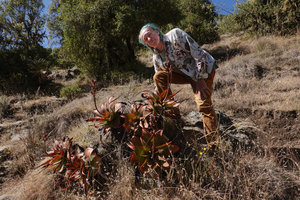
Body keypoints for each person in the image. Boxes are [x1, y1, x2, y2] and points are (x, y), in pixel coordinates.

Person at [138, 23, 219, 145]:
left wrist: (200, 78)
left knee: (203, 104)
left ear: (156, 31)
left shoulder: (175, 35)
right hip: (186, 75)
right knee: (158, 76)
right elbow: (158, 84)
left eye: (149, 34)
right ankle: (175, 117)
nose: (149, 39)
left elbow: (199, 54)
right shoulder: (156, 58)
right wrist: (154, 103)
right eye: (146, 39)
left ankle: (214, 144)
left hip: (204, 70)